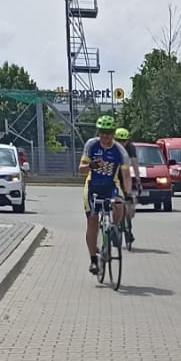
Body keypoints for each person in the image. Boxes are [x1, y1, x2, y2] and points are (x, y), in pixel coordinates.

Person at [80, 114, 130, 274]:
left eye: (108, 133)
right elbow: (81, 169)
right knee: (93, 221)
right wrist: (91, 166)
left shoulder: (120, 151)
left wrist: (128, 194)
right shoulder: (91, 145)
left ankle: (114, 227)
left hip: (111, 186)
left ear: (113, 133)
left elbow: (126, 176)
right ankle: (93, 260)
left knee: (120, 204)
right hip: (92, 186)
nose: (105, 136)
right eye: (102, 132)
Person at [115, 128, 137, 247]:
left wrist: (138, 179)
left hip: (125, 176)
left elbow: (134, 163)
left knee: (129, 203)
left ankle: (128, 228)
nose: (122, 143)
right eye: (119, 140)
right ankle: (115, 225)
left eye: (124, 141)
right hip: (114, 176)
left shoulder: (130, 148)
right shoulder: (112, 147)